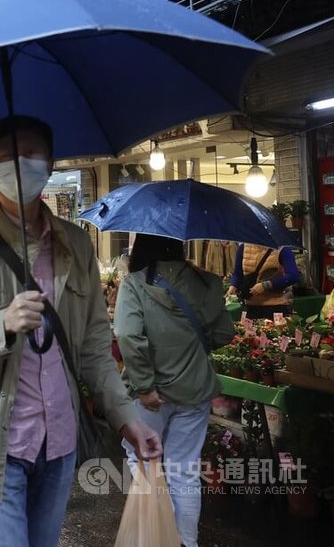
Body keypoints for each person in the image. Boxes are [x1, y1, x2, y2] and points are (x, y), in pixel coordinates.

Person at [0, 115, 162, 547]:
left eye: (31, 154)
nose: (20, 164)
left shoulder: (76, 244)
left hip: (59, 442)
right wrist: (1, 324)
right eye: (7, 157)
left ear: (50, 164)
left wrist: (127, 419)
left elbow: (92, 350)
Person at [114, 234, 235, 547]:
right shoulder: (208, 282)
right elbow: (223, 332)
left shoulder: (135, 284)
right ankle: (186, 542)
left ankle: (151, 538)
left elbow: (127, 335)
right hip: (195, 390)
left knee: (142, 461)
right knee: (184, 470)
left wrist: (144, 387)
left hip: (149, 396)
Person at [226, 243, 300, 319]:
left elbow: (293, 276)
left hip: (276, 306)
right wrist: (233, 286)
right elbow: (237, 274)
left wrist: (266, 286)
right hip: (250, 306)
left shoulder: (282, 249)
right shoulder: (243, 248)